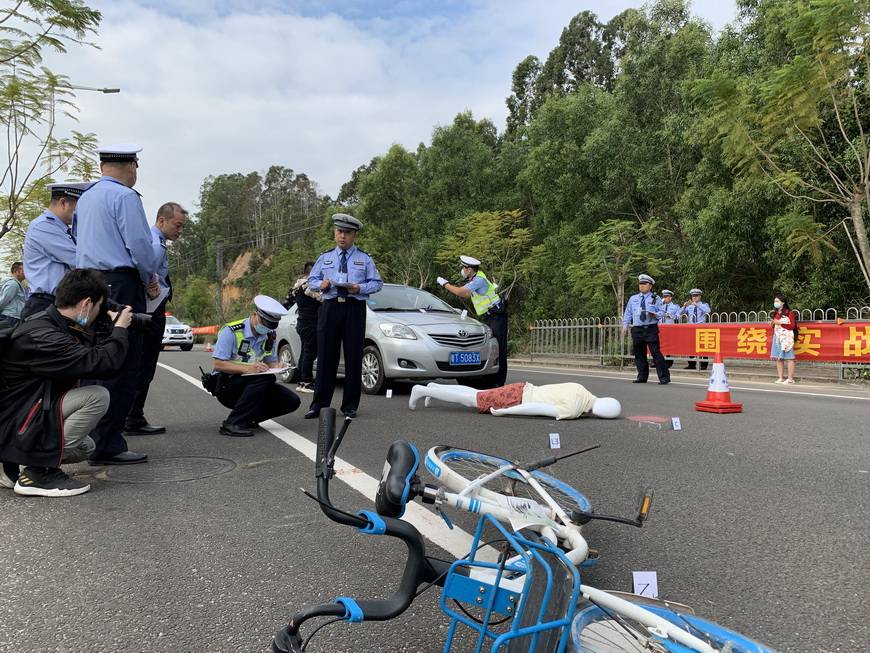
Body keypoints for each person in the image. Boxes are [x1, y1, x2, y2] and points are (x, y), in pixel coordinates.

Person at [0, 269, 132, 496]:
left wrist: (104, 326)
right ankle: (38, 472)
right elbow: (103, 363)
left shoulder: (51, 323)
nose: (99, 313)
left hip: (21, 413)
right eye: (99, 307)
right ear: (87, 303)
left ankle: (11, 462)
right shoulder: (45, 336)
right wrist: (120, 329)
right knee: (96, 396)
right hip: (15, 420)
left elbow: (86, 351)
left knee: (86, 447)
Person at [74, 143, 158, 465]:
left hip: (89, 285)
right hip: (122, 284)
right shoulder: (125, 197)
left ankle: (90, 437)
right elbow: (139, 246)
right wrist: (149, 276)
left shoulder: (87, 198)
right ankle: (108, 444)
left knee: (95, 360)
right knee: (124, 361)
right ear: (131, 166)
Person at [305, 214, 383, 419]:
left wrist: (360, 288)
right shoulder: (325, 257)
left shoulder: (364, 259)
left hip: (354, 309)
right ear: (334, 233)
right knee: (326, 357)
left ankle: (349, 406)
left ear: (354, 235)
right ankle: (319, 404)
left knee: (353, 357)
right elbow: (311, 279)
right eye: (339, 232)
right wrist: (319, 284)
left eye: (347, 233)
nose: (342, 236)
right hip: (330, 308)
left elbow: (377, 283)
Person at [125, 202, 188, 435]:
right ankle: (133, 417)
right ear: (162, 220)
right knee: (144, 364)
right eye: (177, 225)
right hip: (151, 308)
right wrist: (148, 282)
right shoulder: (155, 242)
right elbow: (145, 264)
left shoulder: (156, 240)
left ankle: (131, 416)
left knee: (142, 364)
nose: (179, 231)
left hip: (154, 306)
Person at [209, 295, 301, 436]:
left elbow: (270, 361)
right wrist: (248, 369)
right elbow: (218, 364)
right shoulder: (231, 331)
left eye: (271, 326)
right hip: (226, 386)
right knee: (265, 379)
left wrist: (278, 365)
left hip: (252, 384)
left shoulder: (270, 335)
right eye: (265, 324)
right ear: (255, 315)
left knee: (292, 401)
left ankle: (249, 418)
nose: (266, 329)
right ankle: (232, 423)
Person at [21, 182, 91, 319]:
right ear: (63, 202)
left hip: (60, 303)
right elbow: (79, 260)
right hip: (44, 304)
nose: (81, 214)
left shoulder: (63, 229)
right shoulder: (44, 226)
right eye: (78, 208)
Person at [437, 255, 508, 387]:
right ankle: (490, 381)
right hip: (490, 316)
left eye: (464, 268)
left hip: (497, 316)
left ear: (470, 269)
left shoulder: (479, 280)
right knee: (491, 347)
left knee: (499, 349)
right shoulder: (476, 279)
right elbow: (467, 293)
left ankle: (499, 383)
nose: (462, 270)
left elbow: (461, 292)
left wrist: (445, 284)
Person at [408, 381, 621, 420]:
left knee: (477, 393)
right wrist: (506, 411)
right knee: (471, 399)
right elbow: (536, 407)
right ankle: (421, 391)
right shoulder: (574, 410)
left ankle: (434, 388)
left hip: (522, 387)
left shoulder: (580, 390)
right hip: (516, 398)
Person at [621, 274, 670, 385]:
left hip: (650, 328)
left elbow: (662, 312)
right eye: (640, 284)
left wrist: (655, 315)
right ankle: (642, 376)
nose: (642, 286)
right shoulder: (633, 299)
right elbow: (628, 313)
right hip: (637, 329)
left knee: (656, 353)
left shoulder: (655, 298)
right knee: (639, 354)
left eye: (644, 284)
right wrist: (625, 325)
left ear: (650, 286)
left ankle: (664, 377)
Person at [285, 261, 321, 393]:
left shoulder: (296, 286)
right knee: (310, 353)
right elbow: (323, 299)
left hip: (301, 322)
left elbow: (287, 301)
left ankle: (301, 381)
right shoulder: (310, 285)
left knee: (305, 352)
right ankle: (307, 382)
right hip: (311, 323)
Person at [770, 293, 797, 385]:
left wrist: (779, 323)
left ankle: (790, 379)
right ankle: (780, 377)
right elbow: (775, 326)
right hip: (777, 337)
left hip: (786, 338)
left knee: (789, 358)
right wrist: (773, 323)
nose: (775, 303)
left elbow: (792, 326)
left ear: (783, 303)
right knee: (778, 358)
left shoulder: (789, 313)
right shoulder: (776, 313)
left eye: (777, 301)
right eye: (775, 301)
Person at [681, 288, 711, 370]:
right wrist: (684, 306)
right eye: (693, 296)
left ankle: (704, 365)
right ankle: (691, 364)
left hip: (701, 328)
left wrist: (698, 305)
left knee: (702, 346)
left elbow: (708, 311)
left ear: (700, 296)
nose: (694, 298)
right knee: (691, 346)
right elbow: (680, 314)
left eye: (696, 296)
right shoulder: (689, 306)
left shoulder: (704, 304)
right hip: (691, 328)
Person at [659, 289, 682, 368]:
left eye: (666, 296)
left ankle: (668, 362)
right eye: (664, 297)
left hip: (669, 328)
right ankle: (659, 362)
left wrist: (670, 316)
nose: (665, 298)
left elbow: (679, 316)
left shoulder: (675, 307)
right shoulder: (661, 306)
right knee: (660, 345)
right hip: (661, 327)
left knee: (668, 345)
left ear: (670, 298)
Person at [0, 262, 27, 328]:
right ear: (16, 271)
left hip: (12, 317)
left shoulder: (17, 284)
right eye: (24, 270)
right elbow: (4, 300)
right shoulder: (13, 284)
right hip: (9, 317)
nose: (26, 272)